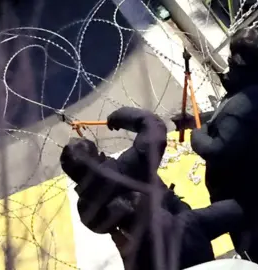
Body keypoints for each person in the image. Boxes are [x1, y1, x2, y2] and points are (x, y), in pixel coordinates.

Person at [60, 107, 244, 270]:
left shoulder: (85, 210)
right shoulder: (129, 166)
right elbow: (154, 126)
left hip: (147, 257)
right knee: (243, 207)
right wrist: (121, 116)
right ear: (101, 156)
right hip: (180, 232)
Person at [172, 28, 258, 270]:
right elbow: (229, 118)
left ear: (240, 62)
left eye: (232, 59)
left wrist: (195, 133)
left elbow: (216, 149)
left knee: (251, 244)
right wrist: (197, 119)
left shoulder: (240, 107)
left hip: (238, 194)